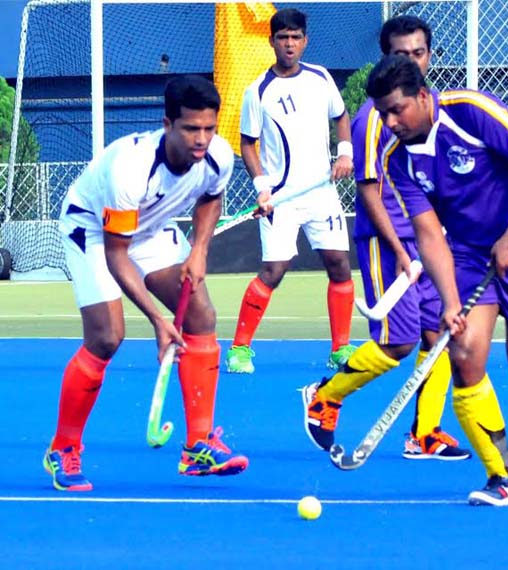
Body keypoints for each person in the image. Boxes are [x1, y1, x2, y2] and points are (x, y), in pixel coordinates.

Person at [355, 55, 508, 505]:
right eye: (383, 114)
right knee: (465, 354)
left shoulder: (469, 111)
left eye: (397, 110)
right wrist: (449, 300)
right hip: (469, 255)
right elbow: (429, 234)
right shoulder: (398, 160)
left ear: (423, 97)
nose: (390, 122)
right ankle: (500, 475)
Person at [44, 75, 249, 491]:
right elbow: (118, 254)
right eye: (191, 128)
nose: (202, 139)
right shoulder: (131, 168)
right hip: (94, 230)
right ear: (168, 123)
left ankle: (198, 447)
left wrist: (199, 250)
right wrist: (157, 320)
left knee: (201, 315)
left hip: (152, 228)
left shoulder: (219, 156)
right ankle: (62, 448)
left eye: (209, 128)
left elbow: (211, 196)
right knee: (107, 336)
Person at [301, 15, 470, 461]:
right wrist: (399, 250)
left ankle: (425, 433)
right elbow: (368, 190)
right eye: (401, 54)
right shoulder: (374, 118)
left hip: (429, 239)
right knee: (399, 340)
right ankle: (326, 396)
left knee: (439, 334)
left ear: (429, 56)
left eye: (418, 53)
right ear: (386, 57)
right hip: (387, 241)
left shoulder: (435, 106)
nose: (411, 61)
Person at [225, 8, 356, 374]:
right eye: (282, 37)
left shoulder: (320, 78)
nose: (289, 44)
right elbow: (248, 143)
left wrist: (344, 151)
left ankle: (340, 349)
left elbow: (341, 116)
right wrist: (261, 186)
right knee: (274, 270)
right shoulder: (258, 92)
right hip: (281, 198)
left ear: (305, 41)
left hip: (322, 192)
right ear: (271, 41)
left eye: (296, 37)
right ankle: (239, 349)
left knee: (339, 264)